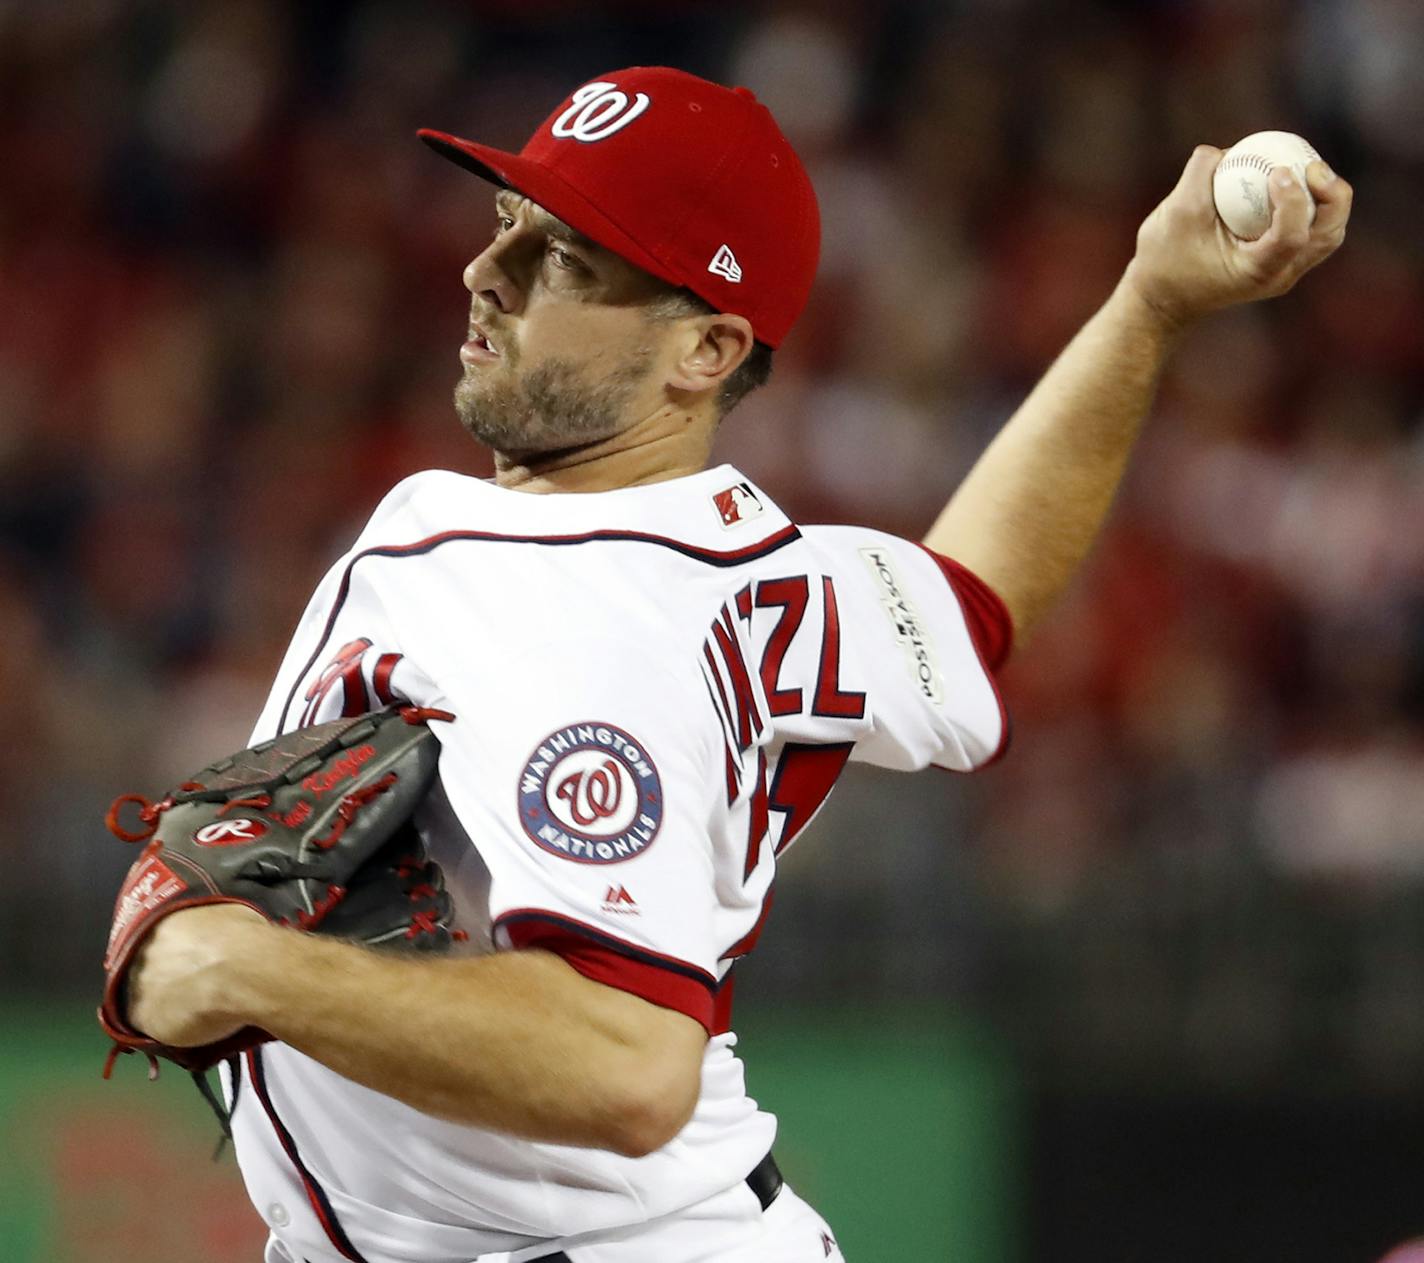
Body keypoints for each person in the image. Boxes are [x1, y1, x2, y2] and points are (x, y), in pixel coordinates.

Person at [125, 66, 1351, 1263]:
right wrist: (1146, 306)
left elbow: (626, 1064)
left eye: (561, 260)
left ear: (704, 350)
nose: (481, 275)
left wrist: (250, 968)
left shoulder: (590, 617)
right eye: (509, 223)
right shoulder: (759, 566)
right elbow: (971, 600)